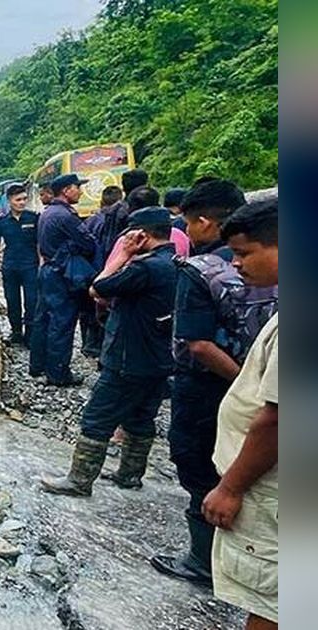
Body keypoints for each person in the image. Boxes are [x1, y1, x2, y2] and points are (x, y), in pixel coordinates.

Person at [150, 180, 276, 587]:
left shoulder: (200, 271)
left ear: (204, 221)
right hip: (257, 388)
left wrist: (246, 387)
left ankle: (204, 559)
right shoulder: (268, 271)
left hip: (210, 389)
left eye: (188, 223)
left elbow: (198, 344)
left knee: (199, 465)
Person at [41, 207, 178, 496]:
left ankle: (79, 481)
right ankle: (130, 474)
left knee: (97, 417)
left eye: (130, 233)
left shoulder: (144, 269)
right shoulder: (175, 263)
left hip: (127, 357)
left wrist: (122, 256)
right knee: (141, 417)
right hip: (158, 357)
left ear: (141, 234)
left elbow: (99, 287)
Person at [203, 200, 278, 629]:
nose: (235, 264)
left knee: (275, 596)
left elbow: (279, 418)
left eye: (244, 253)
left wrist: (231, 486)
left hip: (271, 491)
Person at [28, 173, 98, 386]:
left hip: (48, 270)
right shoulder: (66, 216)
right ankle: (58, 373)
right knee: (62, 322)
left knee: (43, 319)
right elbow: (88, 243)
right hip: (61, 274)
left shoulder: (47, 213)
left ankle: (37, 364)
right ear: (67, 190)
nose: (80, 191)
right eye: (77, 187)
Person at [0, 183, 39, 346]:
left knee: (32, 302)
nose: (22, 202)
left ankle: (31, 336)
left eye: (24, 199)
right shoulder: (3, 222)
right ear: (10, 200)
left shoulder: (33, 218)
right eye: (18, 199)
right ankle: (16, 332)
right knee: (12, 301)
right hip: (10, 267)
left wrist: (42, 264)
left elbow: (40, 244)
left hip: (30, 267)